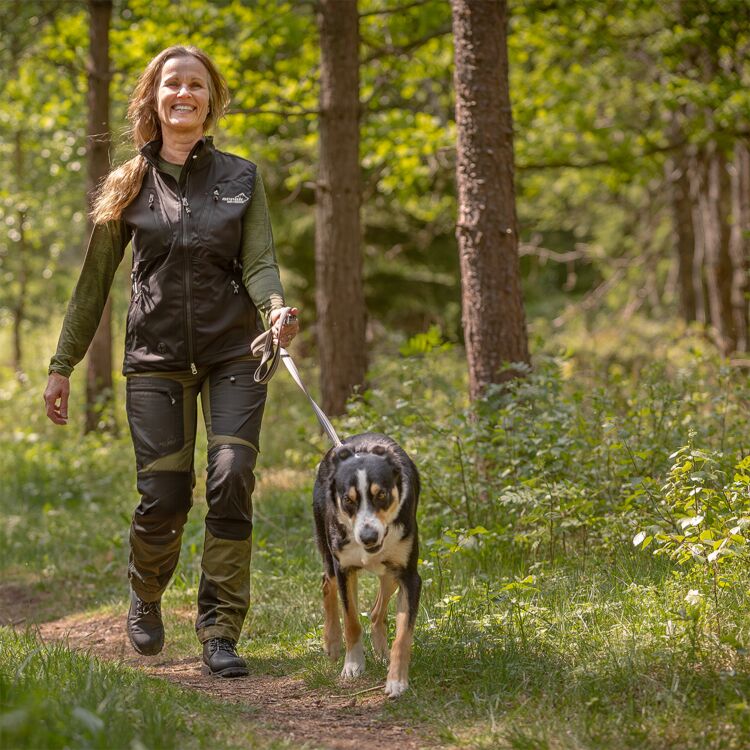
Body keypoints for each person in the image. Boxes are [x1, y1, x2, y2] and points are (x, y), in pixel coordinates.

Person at [43, 45, 299, 678]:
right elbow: (94, 282)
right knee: (163, 495)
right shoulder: (128, 182)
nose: (184, 93)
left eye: (197, 85)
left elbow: (260, 260)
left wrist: (275, 310)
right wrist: (62, 363)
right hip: (154, 359)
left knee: (232, 474)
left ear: (211, 100)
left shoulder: (242, 177)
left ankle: (219, 630)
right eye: (172, 84)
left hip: (234, 352)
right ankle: (147, 592)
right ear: (153, 99)